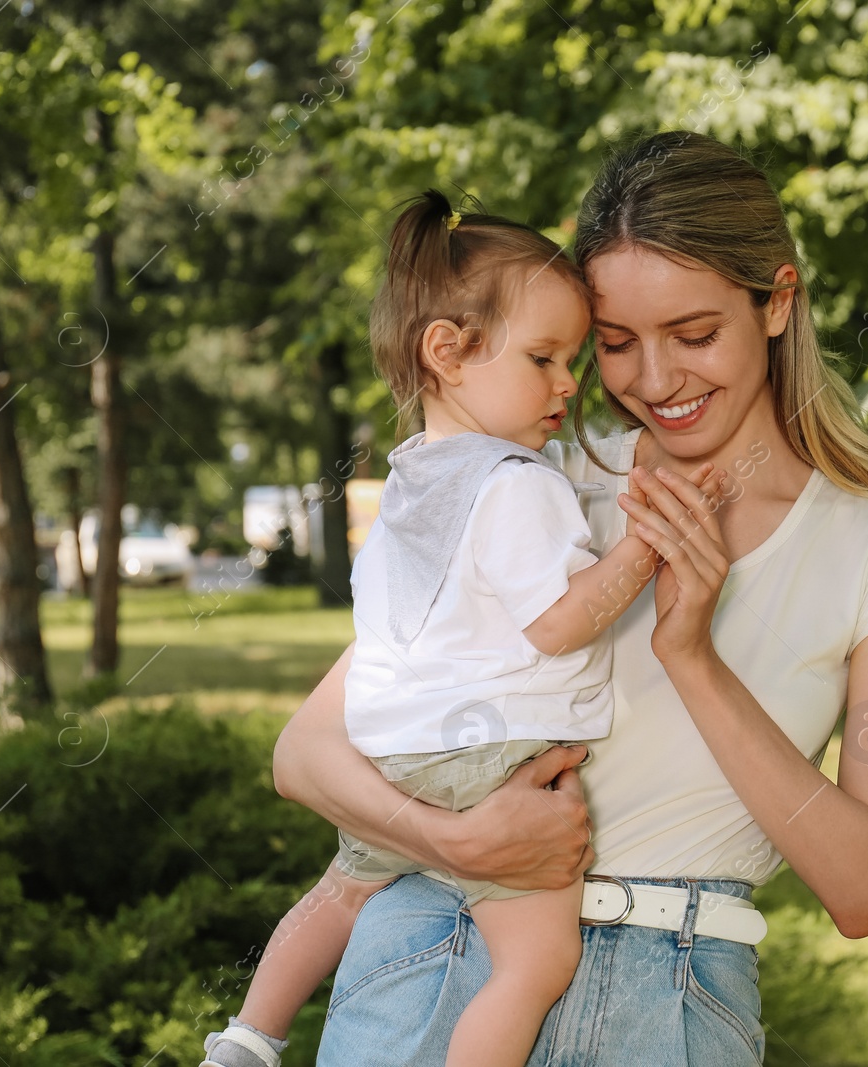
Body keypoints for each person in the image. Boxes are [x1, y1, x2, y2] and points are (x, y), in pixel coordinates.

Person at [272, 131, 868, 1066]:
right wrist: (459, 842)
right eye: (615, 343)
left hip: (672, 1002)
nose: (654, 379)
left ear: (778, 302)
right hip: (441, 952)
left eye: (694, 334)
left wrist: (693, 654)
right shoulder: (525, 486)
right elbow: (308, 751)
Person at [201, 190, 720, 1067]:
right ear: (447, 351)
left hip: (395, 752)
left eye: (577, 360)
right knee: (538, 959)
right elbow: (557, 625)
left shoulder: (414, 475)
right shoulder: (517, 483)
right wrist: (642, 552)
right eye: (546, 358)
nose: (569, 383)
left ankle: (247, 1039)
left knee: (342, 890)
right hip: (490, 760)